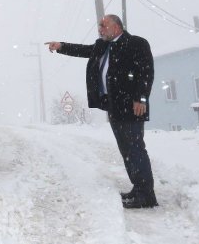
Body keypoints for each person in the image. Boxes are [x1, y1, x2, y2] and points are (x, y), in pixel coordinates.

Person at [45, 14, 158, 209]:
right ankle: (138, 189)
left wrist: (141, 98)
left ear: (116, 26)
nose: (100, 29)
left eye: (103, 25)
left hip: (131, 105)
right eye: (100, 26)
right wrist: (61, 46)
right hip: (114, 105)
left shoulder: (136, 43)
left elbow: (146, 72)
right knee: (127, 150)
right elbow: (83, 50)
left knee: (135, 148)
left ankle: (146, 195)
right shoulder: (103, 46)